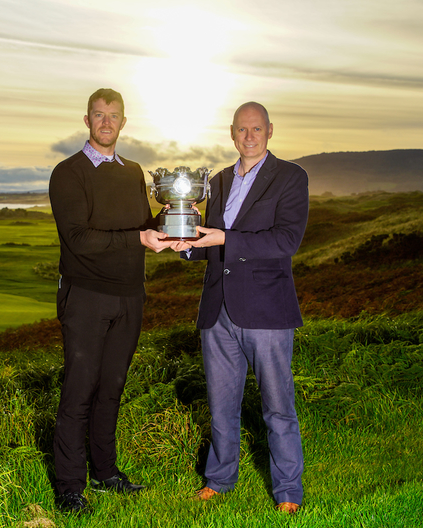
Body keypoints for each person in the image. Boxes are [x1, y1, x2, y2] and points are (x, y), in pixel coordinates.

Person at [48, 88, 176, 514]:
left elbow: (142, 226)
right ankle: (70, 486)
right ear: (87, 120)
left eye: (114, 115)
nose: (106, 122)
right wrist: (139, 238)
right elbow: (78, 239)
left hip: (129, 297)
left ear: (124, 122)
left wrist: (177, 216)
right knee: (79, 391)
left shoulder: (134, 171)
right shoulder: (68, 172)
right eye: (99, 115)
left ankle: (105, 474)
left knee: (112, 390)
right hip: (86, 297)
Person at [179, 101, 309, 513]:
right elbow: (211, 245)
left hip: (267, 311)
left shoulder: (290, 177)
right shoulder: (215, 182)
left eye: (256, 129)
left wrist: (222, 240)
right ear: (231, 133)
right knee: (221, 405)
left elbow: (285, 241)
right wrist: (185, 246)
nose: (248, 136)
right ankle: (219, 479)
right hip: (217, 310)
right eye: (241, 130)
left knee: (277, 407)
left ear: (270, 130)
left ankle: (287, 490)